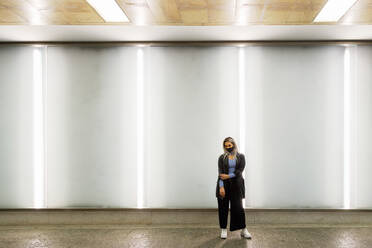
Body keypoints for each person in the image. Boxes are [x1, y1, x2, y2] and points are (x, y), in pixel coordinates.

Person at [216, 137, 252, 239]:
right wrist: (221, 187)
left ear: (234, 145)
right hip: (224, 185)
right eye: (226, 146)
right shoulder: (221, 158)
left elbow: (239, 171)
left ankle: (243, 230)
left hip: (237, 185)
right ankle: (223, 229)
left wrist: (228, 176)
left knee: (239, 208)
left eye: (229, 145)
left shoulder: (241, 157)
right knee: (223, 207)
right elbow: (220, 173)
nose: (228, 147)